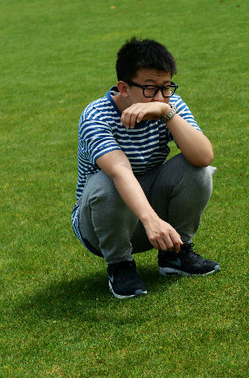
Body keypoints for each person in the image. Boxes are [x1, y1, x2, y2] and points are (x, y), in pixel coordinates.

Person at [72, 38, 220, 299]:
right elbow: (120, 171)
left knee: (198, 169)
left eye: (167, 87)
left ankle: (176, 255)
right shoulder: (96, 116)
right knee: (105, 182)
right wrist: (151, 221)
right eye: (150, 89)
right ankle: (120, 265)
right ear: (124, 87)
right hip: (101, 224)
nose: (161, 96)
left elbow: (204, 156)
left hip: (151, 218)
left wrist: (167, 112)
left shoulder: (167, 105)